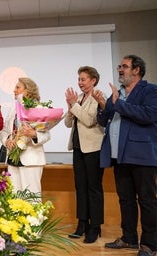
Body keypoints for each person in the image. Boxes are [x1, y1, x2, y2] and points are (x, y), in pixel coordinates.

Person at [92, 55, 157, 256]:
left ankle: (150, 244)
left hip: (142, 155)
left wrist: (118, 103)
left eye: (124, 66)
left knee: (146, 200)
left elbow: (149, 115)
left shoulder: (150, 90)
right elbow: (104, 120)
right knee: (125, 199)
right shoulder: (118, 92)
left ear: (136, 70)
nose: (120, 69)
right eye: (119, 66)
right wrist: (103, 104)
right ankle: (129, 238)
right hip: (118, 155)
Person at [64, 66, 105, 243]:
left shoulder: (98, 97)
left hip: (94, 149)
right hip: (78, 148)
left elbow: (89, 121)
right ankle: (82, 224)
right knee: (80, 187)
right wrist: (70, 106)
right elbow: (67, 123)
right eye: (79, 79)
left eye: (83, 79)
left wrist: (74, 106)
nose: (80, 82)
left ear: (93, 80)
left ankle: (95, 227)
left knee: (93, 188)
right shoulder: (79, 98)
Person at [0, 77, 50, 194]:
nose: (14, 90)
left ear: (27, 90)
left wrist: (34, 134)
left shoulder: (38, 108)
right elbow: (4, 131)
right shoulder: (13, 109)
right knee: (14, 197)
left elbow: (47, 135)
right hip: (12, 159)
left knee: (31, 197)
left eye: (18, 87)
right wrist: (7, 141)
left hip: (31, 160)